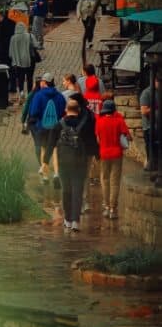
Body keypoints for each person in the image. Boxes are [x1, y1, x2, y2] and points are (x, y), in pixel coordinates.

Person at [50, 97, 99, 231]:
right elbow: (92, 140)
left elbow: (51, 144)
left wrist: (46, 162)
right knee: (77, 191)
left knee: (66, 191)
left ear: (66, 110)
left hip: (64, 163)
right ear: (78, 110)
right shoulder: (86, 123)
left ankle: (67, 220)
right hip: (80, 162)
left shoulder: (59, 125)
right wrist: (97, 155)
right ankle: (76, 221)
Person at [95, 99, 131, 220]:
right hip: (117, 154)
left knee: (105, 180)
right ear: (114, 110)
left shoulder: (99, 121)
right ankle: (113, 209)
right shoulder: (119, 121)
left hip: (104, 154)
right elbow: (128, 136)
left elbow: (98, 139)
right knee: (115, 181)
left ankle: (106, 207)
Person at [28, 72, 67, 182]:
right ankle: (56, 174)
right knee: (55, 150)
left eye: (41, 81)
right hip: (56, 127)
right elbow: (63, 112)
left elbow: (33, 112)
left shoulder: (38, 95)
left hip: (42, 126)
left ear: (44, 82)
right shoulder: (60, 96)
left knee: (44, 149)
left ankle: (45, 176)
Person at [8, 23, 36, 96]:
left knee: (20, 78)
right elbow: (36, 45)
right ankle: (30, 94)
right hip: (30, 60)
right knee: (30, 78)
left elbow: (10, 54)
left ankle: (21, 93)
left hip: (18, 62)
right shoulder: (30, 36)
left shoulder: (13, 38)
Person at [141, 76, 160, 170]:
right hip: (149, 127)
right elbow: (144, 111)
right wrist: (156, 108)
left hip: (158, 126)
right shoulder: (146, 93)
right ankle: (150, 167)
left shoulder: (159, 92)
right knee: (151, 151)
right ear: (155, 81)